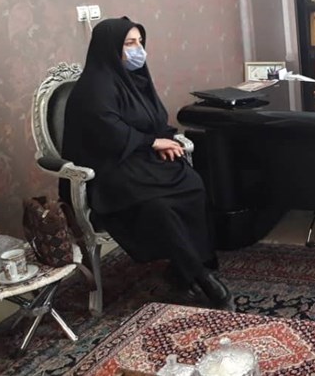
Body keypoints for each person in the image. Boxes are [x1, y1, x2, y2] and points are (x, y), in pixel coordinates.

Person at [60, 17, 231, 308]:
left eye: (140, 42)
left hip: (139, 159)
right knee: (158, 205)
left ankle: (182, 269)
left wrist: (164, 139)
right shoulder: (93, 88)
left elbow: (155, 118)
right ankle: (201, 276)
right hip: (108, 168)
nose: (138, 50)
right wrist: (152, 143)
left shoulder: (136, 80)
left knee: (192, 183)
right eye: (130, 43)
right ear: (109, 48)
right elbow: (108, 131)